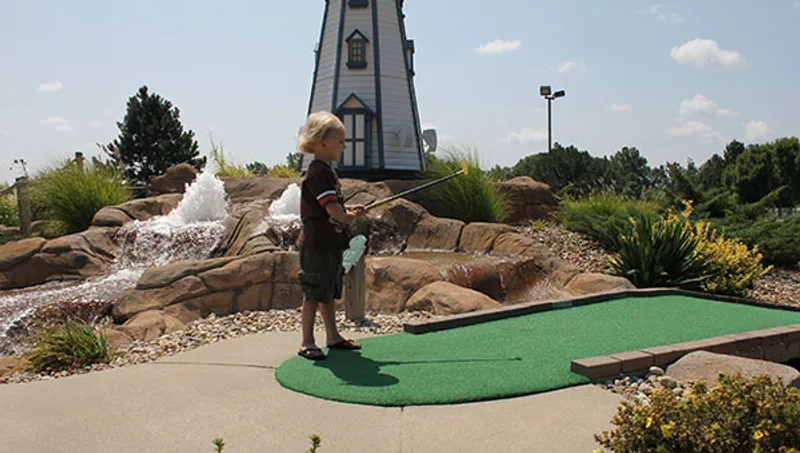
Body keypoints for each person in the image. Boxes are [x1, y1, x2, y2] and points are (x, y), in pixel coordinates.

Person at [295, 111, 367, 360]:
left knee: (327, 290)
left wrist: (348, 210)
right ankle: (307, 341)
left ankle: (332, 336)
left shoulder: (328, 172)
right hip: (316, 244)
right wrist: (347, 217)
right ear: (322, 142)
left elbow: (334, 205)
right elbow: (330, 209)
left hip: (329, 243)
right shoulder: (318, 173)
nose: (343, 146)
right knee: (314, 292)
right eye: (340, 141)